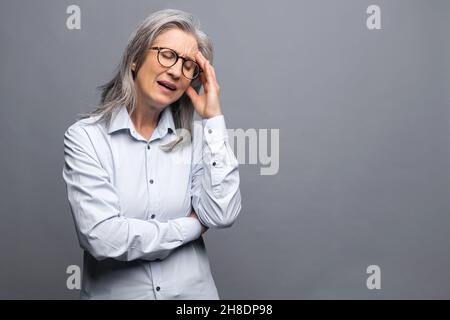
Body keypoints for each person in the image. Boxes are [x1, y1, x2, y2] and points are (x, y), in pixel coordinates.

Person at [62, 8, 242, 299]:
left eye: (188, 65)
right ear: (135, 59)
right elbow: (103, 238)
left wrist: (214, 121)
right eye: (167, 54)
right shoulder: (87, 138)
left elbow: (221, 214)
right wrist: (192, 227)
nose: (175, 70)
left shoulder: (197, 141)